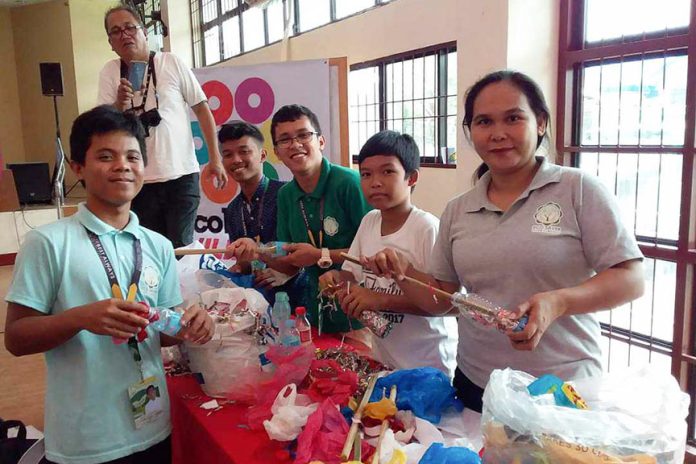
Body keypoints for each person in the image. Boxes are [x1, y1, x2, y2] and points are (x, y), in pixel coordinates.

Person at [363, 70, 644, 412]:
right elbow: (443, 299)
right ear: (470, 132)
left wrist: (559, 302)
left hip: (560, 389)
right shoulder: (458, 210)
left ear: (540, 123)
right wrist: (403, 272)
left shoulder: (578, 190)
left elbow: (631, 278)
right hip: (479, 384)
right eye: (483, 122)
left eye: (513, 118)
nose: (498, 134)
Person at [4, 105, 214, 464]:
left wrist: (189, 325)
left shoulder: (158, 245)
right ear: (78, 167)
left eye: (133, 156)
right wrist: (80, 318)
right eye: (105, 156)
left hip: (153, 424)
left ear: (144, 169)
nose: (122, 165)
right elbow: (17, 338)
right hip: (85, 438)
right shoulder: (48, 243)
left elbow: (161, 330)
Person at [319, 130, 458, 375]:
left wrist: (381, 300)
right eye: (366, 174)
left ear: (412, 178)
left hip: (429, 362)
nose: (375, 182)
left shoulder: (427, 228)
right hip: (385, 357)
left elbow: (448, 304)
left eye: (387, 171)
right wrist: (337, 280)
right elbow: (351, 275)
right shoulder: (369, 222)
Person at [229, 104, 372, 333]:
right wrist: (257, 251)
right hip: (317, 317)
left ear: (321, 141)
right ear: (276, 151)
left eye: (304, 135)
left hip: (362, 318)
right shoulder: (286, 195)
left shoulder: (349, 183)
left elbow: (374, 256)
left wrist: (319, 255)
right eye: (285, 139)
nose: (295, 144)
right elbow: (289, 264)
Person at [97, 5, 227, 249]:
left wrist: (215, 159)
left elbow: (202, 109)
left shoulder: (171, 62)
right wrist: (119, 104)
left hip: (180, 175)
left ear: (144, 31)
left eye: (129, 27)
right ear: (110, 42)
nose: (124, 35)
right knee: (147, 251)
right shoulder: (110, 72)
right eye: (116, 31)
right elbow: (103, 126)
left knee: (180, 250)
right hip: (137, 181)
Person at [219, 122, 306, 305]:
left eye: (244, 151)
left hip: (301, 299)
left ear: (262, 155)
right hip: (260, 305)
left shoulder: (287, 194)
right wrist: (241, 267)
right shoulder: (233, 209)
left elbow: (305, 253)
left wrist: (264, 256)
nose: (236, 160)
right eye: (228, 154)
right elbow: (246, 265)